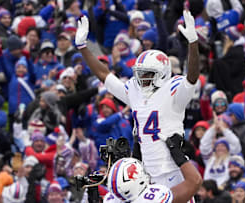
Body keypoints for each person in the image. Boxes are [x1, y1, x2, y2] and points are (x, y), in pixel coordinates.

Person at [75, 9, 200, 189]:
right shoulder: (135, 91)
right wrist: (83, 47)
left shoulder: (172, 90)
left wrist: (193, 44)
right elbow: (105, 75)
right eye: (140, 74)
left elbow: (192, 78)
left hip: (172, 169)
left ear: (162, 73)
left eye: (148, 74)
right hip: (146, 171)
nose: (142, 79)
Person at [104, 133, 202, 203]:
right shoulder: (155, 198)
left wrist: (137, 151)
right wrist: (178, 154)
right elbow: (195, 181)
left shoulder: (113, 198)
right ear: (140, 181)